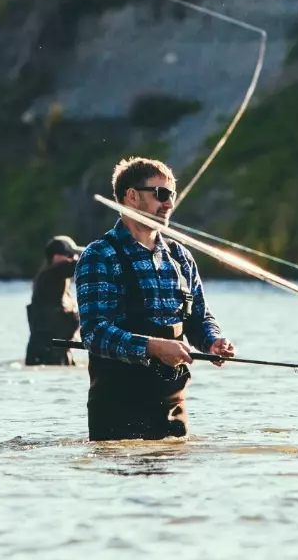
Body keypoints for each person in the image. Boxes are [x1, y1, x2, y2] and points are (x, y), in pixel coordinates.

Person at [75, 157, 235, 441]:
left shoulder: (180, 256)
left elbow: (199, 317)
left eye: (171, 195)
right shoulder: (99, 255)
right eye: (160, 194)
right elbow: (95, 333)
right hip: (117, 412)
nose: (169, 204)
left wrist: (213, 341)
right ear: (132, 196)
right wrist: (154, 347)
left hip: (173, 410)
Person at [25, 235, 83, 366]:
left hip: (49, 350)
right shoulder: (53, 274)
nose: (73, 258)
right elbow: (84, 264)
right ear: (56, 256)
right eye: (69, 255)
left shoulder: (50, 277)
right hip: (48, 351)